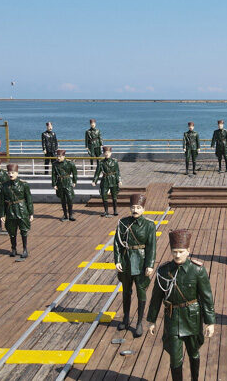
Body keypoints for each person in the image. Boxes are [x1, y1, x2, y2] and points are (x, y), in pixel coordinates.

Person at [147, 229, 215, 381]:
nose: (177, 255)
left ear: (188, 251)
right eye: (174, 251)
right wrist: (152, 320)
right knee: (175, 358)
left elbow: (207, 297)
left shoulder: (197, 270)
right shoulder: (163, 271)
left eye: (181, 251)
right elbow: (156, 297)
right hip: (172, 318)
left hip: (192, 317)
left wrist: (210, 322)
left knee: (194, 353)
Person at [114, 194, 157, 337]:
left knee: (141, 292)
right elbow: (117, 243)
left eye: (138, 207)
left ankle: (139, 322)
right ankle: (126, 319)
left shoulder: (150, 225)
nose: (135, 210)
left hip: (141, 261)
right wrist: (118, 261)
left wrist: (150, 265)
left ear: (143, 209)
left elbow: (152, 247)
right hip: (126, 261)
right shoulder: (122, 223)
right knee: (126, 291)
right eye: (133, 207)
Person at [0, 163, 33, 258]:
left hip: (22, 210)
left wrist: (31, 213)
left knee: (24, 230)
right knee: (11, 231)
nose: (11, 174)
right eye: (9, 172)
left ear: (17, 173)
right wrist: (2, 214)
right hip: (10, 210)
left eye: (13, 172)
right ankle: (13, 249)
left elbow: (29, 200)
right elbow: (2, 201)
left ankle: (25, 249)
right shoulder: (4, 186)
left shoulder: (24, 185)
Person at [92, 146, 121, 216]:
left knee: (114, 196)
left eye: (108, 152)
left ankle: (115, 211)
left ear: (111, 153)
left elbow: (117, 172)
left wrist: (119, 180)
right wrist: (94, 181)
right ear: (103, 153)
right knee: (104, 195)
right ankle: (106, 211)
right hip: (105, 180)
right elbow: (97, 172)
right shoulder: (101, 162)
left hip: (113, 179)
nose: (107, 154)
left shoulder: (114, 161)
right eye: (105, 152)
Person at [51, 149, 77, 222]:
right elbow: (53, 175)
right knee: (62, 200)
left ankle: (71, 214)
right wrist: (54, 184)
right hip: (60, 183)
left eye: (60, 156)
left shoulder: (70, 163)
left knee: (70, 198)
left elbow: (75, 173)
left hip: (68, 182)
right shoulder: (55, 164)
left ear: (64, 156)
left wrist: (74, 181)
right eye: (57, 156)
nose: (58, 158)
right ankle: (65, 215)